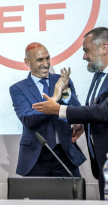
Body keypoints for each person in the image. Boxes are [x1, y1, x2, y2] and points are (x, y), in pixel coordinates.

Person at [32, 27, 108, 199]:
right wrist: (84, 125)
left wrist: (59, 109)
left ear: (105, 48)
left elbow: (104, 111)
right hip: (102, 162)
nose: (84, 56)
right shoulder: (99, 76)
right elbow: (95, 110)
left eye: (87, 50)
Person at [9, 42, 86, 177]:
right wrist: (54, 98)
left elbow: (77, 111)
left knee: (73, 196)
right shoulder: (18, 88)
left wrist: (66, 92)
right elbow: (28, 120)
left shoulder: (62, 80)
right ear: (27, 62)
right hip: (35, 158)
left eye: (47, 58)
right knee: (35, 197)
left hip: (65, 154)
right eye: (40, 60)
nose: (45, 63)